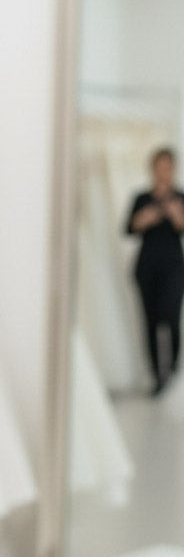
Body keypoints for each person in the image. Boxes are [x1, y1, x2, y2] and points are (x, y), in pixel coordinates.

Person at [126, 147, 184, 396]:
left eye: (167, 166)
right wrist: (144, 218)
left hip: (173, 267)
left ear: (173, 169)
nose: (163, 171)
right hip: (147, 267)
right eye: (159, 166)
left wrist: (176, 215)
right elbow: (129, 228)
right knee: (150, 321)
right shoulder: (142, 198)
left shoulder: (180, 197)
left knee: (170, 317)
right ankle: (156, 375)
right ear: (153, 169)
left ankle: (171, 369)